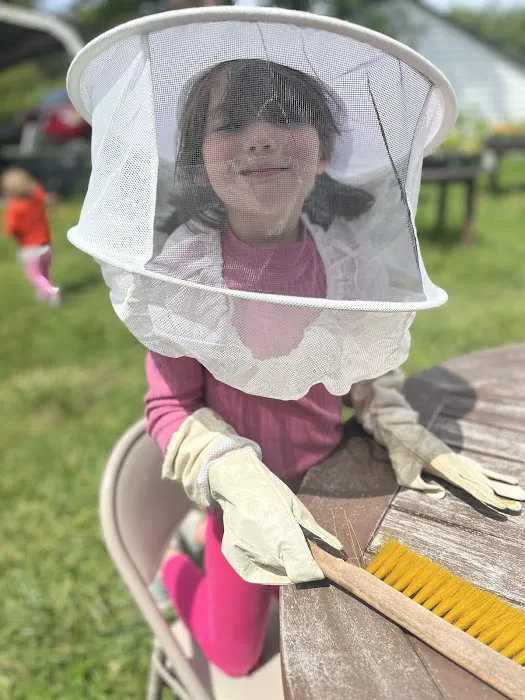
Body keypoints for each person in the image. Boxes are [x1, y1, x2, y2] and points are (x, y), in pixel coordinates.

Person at [66, 11, 524, 681]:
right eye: (231, 124)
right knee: (238, 651)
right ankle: (177, 564)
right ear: (197, 156)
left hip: (335, 478)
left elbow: (367, 369)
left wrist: (402, 430)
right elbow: (168, 408)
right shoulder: (183, 277)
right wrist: (234, 479)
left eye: (285, 117)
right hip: (242, 496)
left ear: (325, 144)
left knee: (372, 634)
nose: (260, 139)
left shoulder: (348, 264)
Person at [1, 168, 61, 307]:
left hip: (31, 248)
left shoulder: (14, 207)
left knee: (34, 275)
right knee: (44, 271)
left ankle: (51, 292)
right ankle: (42, 295)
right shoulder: (36, 198)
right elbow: (38, 189)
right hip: (46, 245)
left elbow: (10, 229)